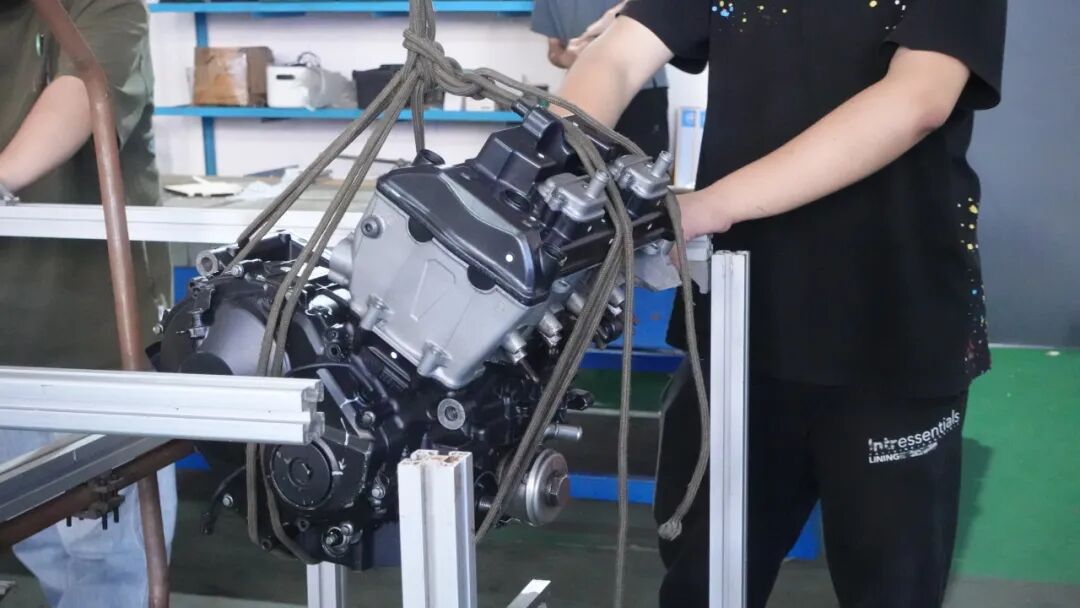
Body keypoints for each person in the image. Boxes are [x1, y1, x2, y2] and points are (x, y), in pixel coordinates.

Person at [556, 1, 1007, 606]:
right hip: (739, 329)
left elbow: (918, 98)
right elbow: (618, 56)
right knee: (701, 581)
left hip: (893, 330)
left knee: (891, 587)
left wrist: (710, 205)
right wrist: (556, 170)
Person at [0, 0, 177, 606]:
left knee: (106, 556)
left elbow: (82, 92)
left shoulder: (100, 6)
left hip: (90, 334)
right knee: (33, 533)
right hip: (6, 342)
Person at [531, 0, 670, 157]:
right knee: (574, 163)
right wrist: (568, 57)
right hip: (581, 92)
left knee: (644, 164)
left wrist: (623, 15)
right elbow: (554, 51)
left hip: (642, 90)